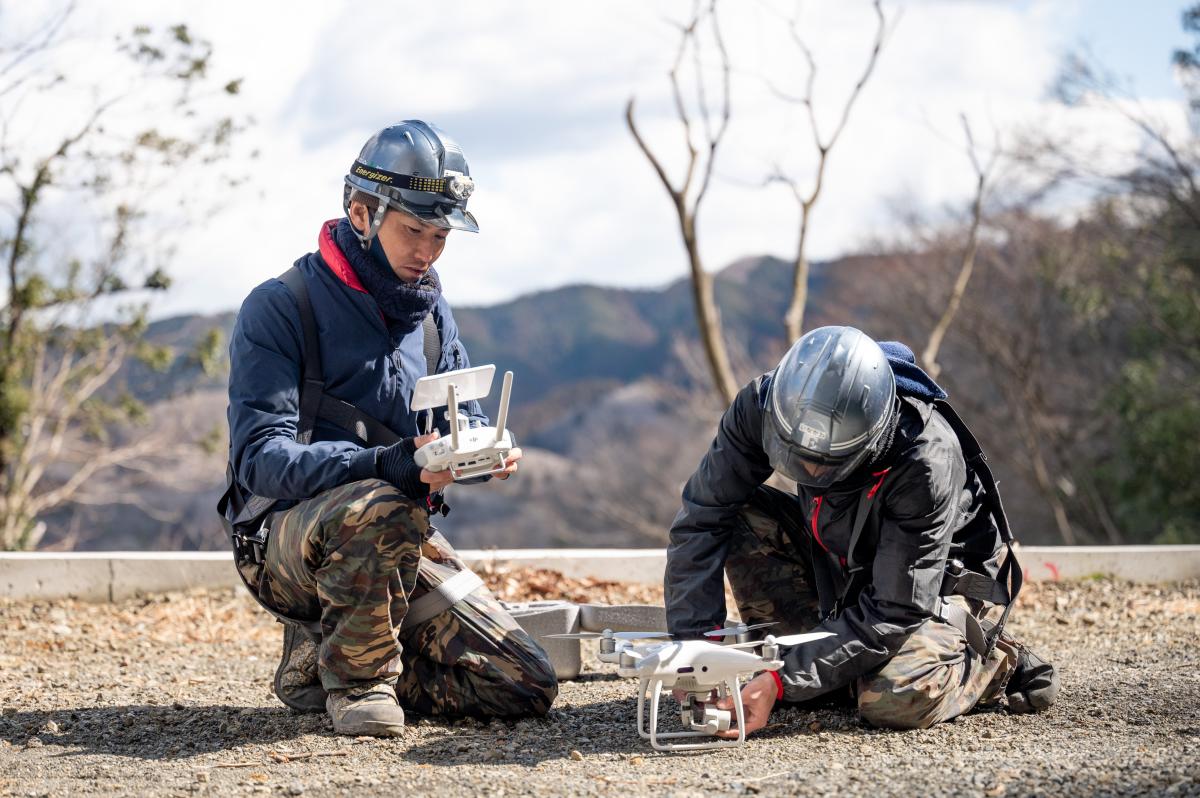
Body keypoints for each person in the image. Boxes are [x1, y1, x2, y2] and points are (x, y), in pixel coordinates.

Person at [218, 120, 557, 737]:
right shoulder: (279, 305)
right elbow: (260, 460)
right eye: (413, 231)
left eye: (440, 235)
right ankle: (358, 685)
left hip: (393, 532)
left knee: (523, 684)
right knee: (381, 503)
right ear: (361, 212)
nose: (427, 251)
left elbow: (458, 414)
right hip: (282, 541)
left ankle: (321, 660)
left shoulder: (430, 312)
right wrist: (387, 464)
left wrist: (477, 450)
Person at [665, 325, 1058, 735]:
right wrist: (698, 650)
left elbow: (895, 608)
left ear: (870, 437)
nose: (811, 473)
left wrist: (779, 681)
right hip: (841, 562)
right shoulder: (766, 404)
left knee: (892, 698)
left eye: (824, 464)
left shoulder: (924, 459)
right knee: (740, 513)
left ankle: (989, 660)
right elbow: (702, 516)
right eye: (799, 459)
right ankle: (826, 666)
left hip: (929, 588)